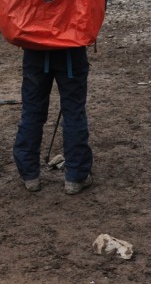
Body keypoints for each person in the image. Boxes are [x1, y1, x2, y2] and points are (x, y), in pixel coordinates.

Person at [13, 45, 93, 194]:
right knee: (73, 112)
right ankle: (75, 177)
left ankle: (29, 175)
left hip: (35, 48)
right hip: (71, 50)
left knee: (32, 111)